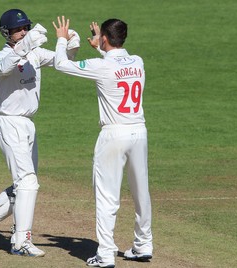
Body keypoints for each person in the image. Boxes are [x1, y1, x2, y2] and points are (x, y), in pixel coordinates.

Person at [0, 9, 80, 257]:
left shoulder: (35, 53)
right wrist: (26, 45)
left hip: (28, 124)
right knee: (27, 183)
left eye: (25, 28)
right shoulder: (3, 55)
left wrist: (70, 43)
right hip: (8, 122)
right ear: (6, 33)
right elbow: (3, 68)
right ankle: (21, 242)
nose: (23, 32)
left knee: (25, 184)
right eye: (18, 29)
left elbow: (65, 61)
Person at [53, 16, 153, 267]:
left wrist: (62, 40)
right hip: (139, 133)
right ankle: (143, 245)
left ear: (106, 38)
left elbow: (61, 65)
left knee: (107, 196)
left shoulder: (102, 66)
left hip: (113, 135)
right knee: (142, 193)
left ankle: (106, 254)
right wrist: (101, 45)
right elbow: (117, 63)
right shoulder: (138, 62)